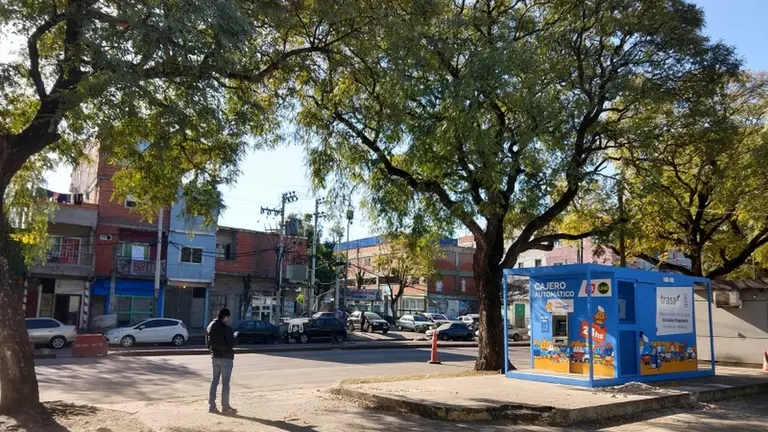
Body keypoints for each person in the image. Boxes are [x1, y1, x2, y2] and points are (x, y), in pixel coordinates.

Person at [206, 307, 237, 414]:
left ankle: (212, 406)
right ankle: (225, 406)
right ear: (225, 316)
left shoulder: (210, 326)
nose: (227, 319)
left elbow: (207, 344)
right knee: (225, 383)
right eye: (227, 317)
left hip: (214, 356)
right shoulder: (226, 329)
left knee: (214, 381)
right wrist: (235, 337)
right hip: (226, 357)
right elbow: (231, 344)